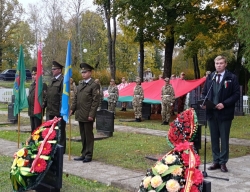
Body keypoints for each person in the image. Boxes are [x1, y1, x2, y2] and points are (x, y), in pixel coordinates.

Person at [201, 55, 240, 172]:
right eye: (217, 63)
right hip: (212, 112)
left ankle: (223, 162)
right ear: (214, 65)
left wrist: (225, 103)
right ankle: (216, 161)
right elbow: (204, 93)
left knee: (224, 138)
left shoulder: (232, 77)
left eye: (221, 63)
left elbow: (236, 94)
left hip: (225, 112)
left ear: (225, 64)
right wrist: (204, 102)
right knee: (214, 138)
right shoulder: (211, 77)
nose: (219, 65)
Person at [70, 63, 100, 163]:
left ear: (90, 73)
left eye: (85, 72)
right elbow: (76, 99)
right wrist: (72, 109)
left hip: (87, 114)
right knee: (83, 135)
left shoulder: (94, 85)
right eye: (82, 72)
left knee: (88, 135)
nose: (83, 74)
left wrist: (91, 114)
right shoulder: (80, 84)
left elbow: (95, 101)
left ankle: (89, 154)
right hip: (80, 113)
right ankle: (83, 153)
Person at [44, 61, 66, 153]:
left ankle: (61, 148)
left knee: (60, 130)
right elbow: (48, 95)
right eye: (52, 69)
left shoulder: (63, 80)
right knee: (51, 131)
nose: (52, 70)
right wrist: (44, 105)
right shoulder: (52, 80)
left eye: (54, 69)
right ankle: (52, 147)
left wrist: (61, 111)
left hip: (58, 111)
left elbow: (63, 97)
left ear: (59, 70)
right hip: (50, 110)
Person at [28, 67, 47, 133]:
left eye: (35, 74)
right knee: (33, 129)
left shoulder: (43, 85)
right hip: (31, 111)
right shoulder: (32, 85)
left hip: (38, 112)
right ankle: (33, 142)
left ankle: (38, 142)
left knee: (37, 130)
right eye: (32, 75)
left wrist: (43, 105)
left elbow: (45, 98)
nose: (33, 76)